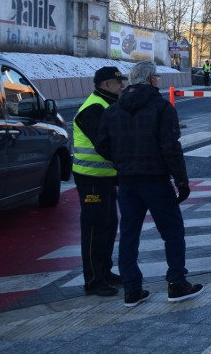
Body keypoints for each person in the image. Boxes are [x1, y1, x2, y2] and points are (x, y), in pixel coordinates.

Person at [95, 61, 203, 308]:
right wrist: (181, 180)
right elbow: (170, 147)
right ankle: (176, 283)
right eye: (157, 77)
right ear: (152, 80)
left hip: (126, 181)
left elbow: (102, 144)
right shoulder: (161, 107)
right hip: (155, 179)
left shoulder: (113, 109)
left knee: (129, 235)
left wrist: (121, 160)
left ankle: (132, 289)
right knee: (172, 231)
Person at [72, 66, 127, 297]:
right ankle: (94, 280)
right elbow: (105, 146)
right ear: (106, 85)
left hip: (104, 178)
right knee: (95, 228)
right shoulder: (94, 108)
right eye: (118, 83)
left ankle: (105, 271)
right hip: (91, 179)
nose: (122, 86)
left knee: (108, 225)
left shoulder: (107, 104)